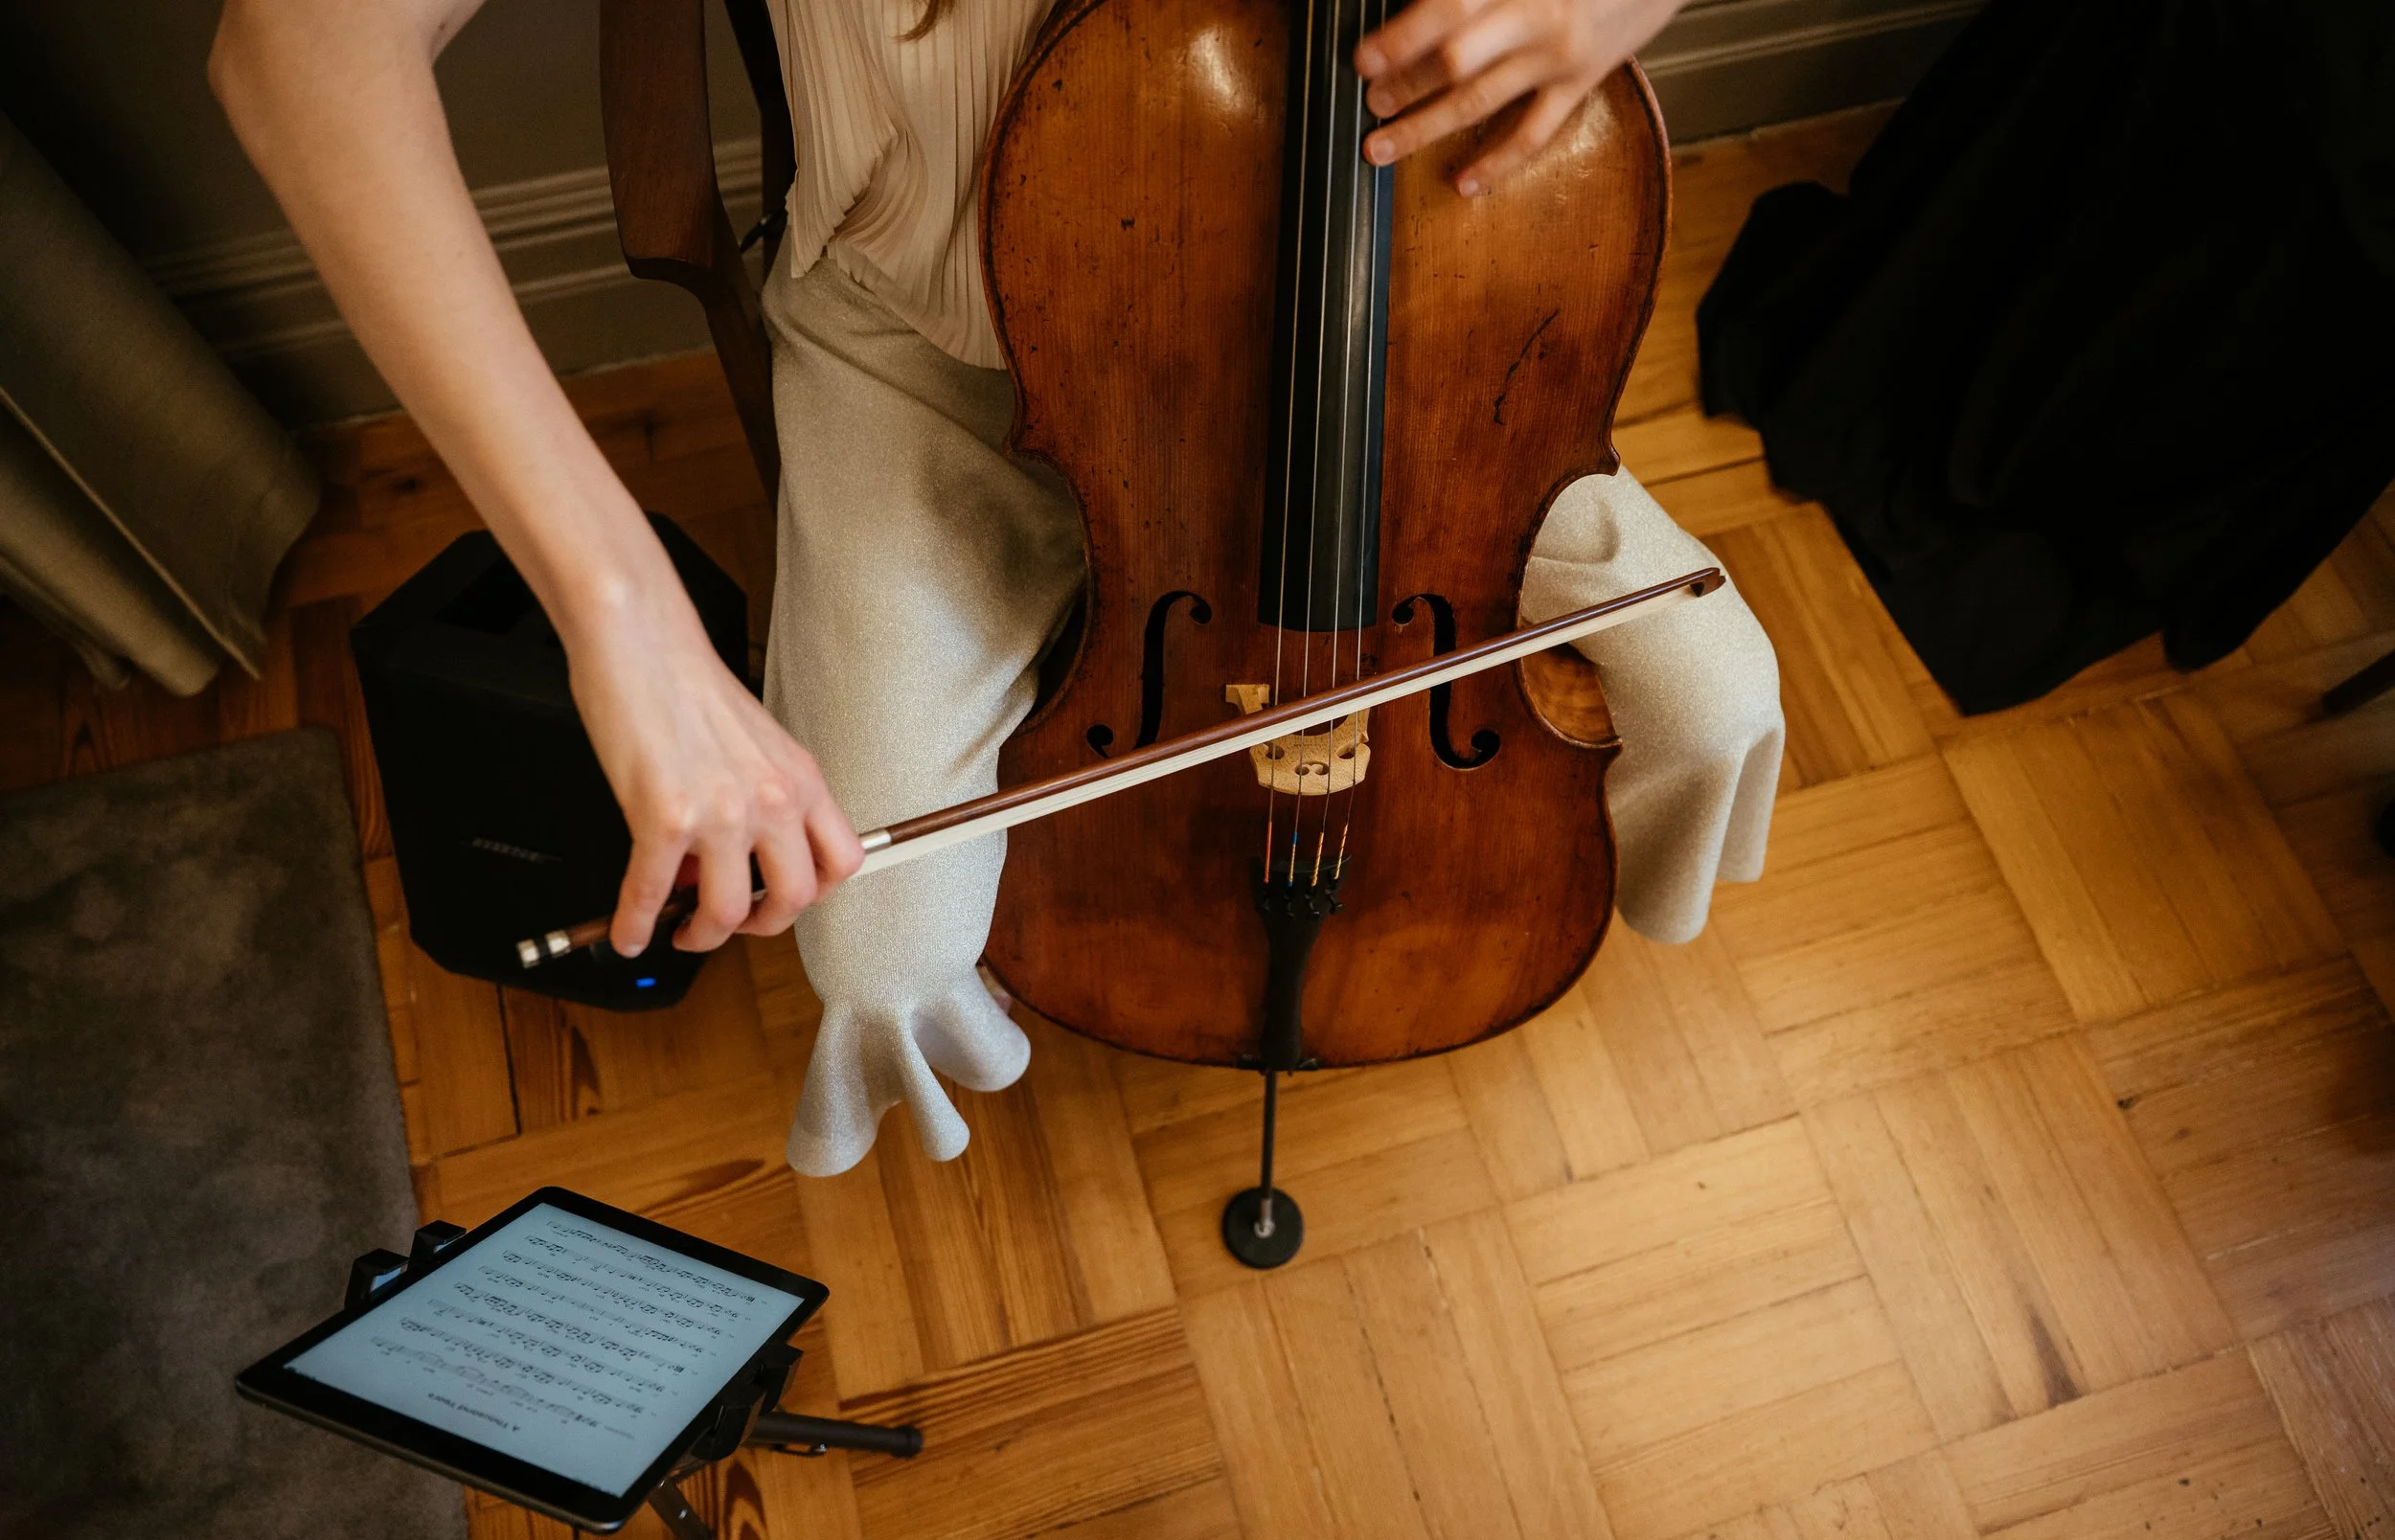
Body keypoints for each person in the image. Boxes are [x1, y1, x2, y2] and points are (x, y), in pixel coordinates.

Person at [209, 0, 1782, 1174]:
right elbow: (298, 49)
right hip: (930, 342)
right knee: (879, 950)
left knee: (1719, 706)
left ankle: (1525, 913)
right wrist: (625, 615)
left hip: (1408, 364)